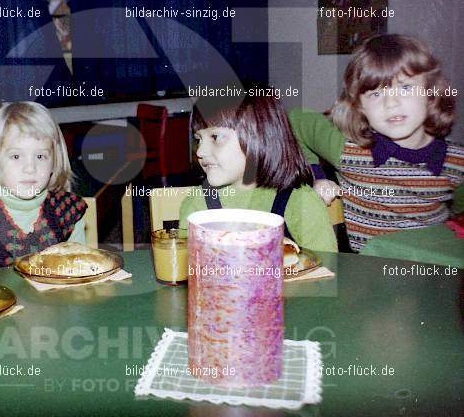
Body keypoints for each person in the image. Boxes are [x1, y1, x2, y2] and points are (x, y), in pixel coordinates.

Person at [290, 34, 463, 252]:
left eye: (405, 87)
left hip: (431, 272)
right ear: (359, 106)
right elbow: (295, 119)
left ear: (431, 94)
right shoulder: (348, 149)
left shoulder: (457, 163)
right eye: (375, 93)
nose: (391, 103)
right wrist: (317, 175)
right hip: (368, 273)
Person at [179, 90, 338, 253]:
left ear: (259, 137)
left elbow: (326, 271)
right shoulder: (198, 203)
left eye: (215, 137)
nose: (200, 151)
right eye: (199, 139)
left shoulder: (300, 201)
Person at [0, 102, 87, 275]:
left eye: (40, 156)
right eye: (16, 156)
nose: (30, 168)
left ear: (54, 161)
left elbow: (79, 279)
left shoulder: (69, 213)